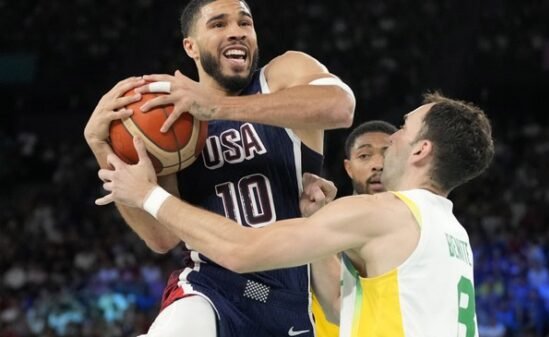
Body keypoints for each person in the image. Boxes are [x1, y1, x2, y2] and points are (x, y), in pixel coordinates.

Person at [97, 92, 495, 336]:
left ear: (422, 150)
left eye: (405, 127)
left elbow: (243, 251)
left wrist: (148, 195)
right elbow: (342, 312)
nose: (392, 137)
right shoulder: (451, 232)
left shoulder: (384, 213)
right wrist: (315, 223)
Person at [83, 0, 355, 335]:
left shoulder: (281, 75)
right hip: (209, 286)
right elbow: (162, 237)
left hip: (290, 294)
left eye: (245, 23)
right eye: (219, 24)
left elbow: (340, 106)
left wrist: (218, 107)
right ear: (190, 46)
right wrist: (101, 147)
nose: (237, 32)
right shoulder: (171, 120)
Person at [313, 120, 398, 337]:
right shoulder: (318, 220)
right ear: (348, 168)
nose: (378, 164)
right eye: (364, 156)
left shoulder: (418, 226)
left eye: (387, 154)